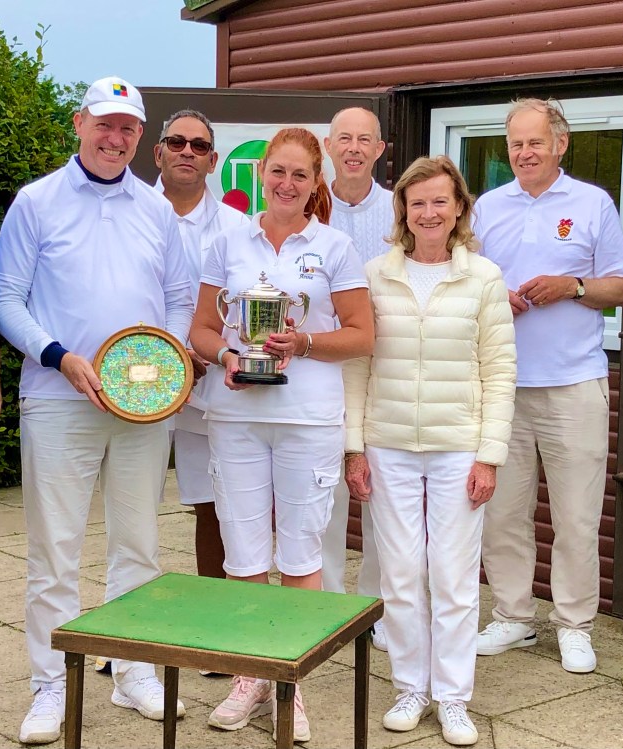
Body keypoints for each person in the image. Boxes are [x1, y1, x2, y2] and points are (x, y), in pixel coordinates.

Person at [0, 76, 194, 745]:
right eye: (104, 124)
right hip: (59, 396)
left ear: (142, 137)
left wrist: (165, 368)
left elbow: (178, 295)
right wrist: (58, 356)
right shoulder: (36, 202)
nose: (116, 138)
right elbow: (8, 300)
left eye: (129, 129)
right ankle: (50, 683)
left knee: (138, 544)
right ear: (78, 123)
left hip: (142, 406)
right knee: (54, 549)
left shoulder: (156, 209)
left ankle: (133, 669)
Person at [190, 127, 374, 744]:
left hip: (307, 417)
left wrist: (305, 342)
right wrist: (228, 360)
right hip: (237, 413)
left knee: (300, 551)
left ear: (314, 182)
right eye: (279, 172)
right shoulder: (226, 240)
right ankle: (250, 677)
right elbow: (201, 329)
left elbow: (362, 333)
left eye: (300, 175)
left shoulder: (335, 246)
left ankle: (290, 685)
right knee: (242, 549)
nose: (288, 184)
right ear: (260, 174)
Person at [344, 155, 516, 746]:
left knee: (453, 576)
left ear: (460, 207)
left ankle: (452, 696)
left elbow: (499, 371)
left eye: (440, 201)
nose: (429, 212)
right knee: (398, 574)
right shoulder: (374, 274)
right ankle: (410, 688)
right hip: (388, 444)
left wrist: (489, 454)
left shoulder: (484, 278)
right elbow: (358, 366)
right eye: (417, 203)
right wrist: (354, 448)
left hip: (457, 448)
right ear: (404, 212)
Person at [474, 98, 623, 674]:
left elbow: (622, 289)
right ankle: (514, 618)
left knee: (576, 515)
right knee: (503, 512)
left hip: (575, 382)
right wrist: (500, 299)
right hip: (502, 386)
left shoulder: (592, 203)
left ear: (560, 144)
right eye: (515, 143)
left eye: (535, 141)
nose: (524, 153)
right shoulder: (487, 208)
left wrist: (571, 284)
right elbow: (468, 286)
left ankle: (574, 624)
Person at [154, 108, 248, 580]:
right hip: (139, 382)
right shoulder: (130, 216)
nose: (187, 152)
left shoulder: (240, 227)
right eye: (176, 143)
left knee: (216, 506)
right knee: (130, 507)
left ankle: (222, 619)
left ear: (214, 161)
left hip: (213, 387)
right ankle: (130, 638)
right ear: (158, 153)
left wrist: (212, 351)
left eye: (200, 146)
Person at [321, 106, 395, 652]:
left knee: (382, 493)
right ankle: (325, 608)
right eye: (343, 138)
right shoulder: (306, 204)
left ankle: (376, 611)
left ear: (379, 149)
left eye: (362, 140)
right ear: (328, 146)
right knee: (323, 494)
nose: (353, 147)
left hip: (386, 364)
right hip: (320, 362)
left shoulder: (399, 210)